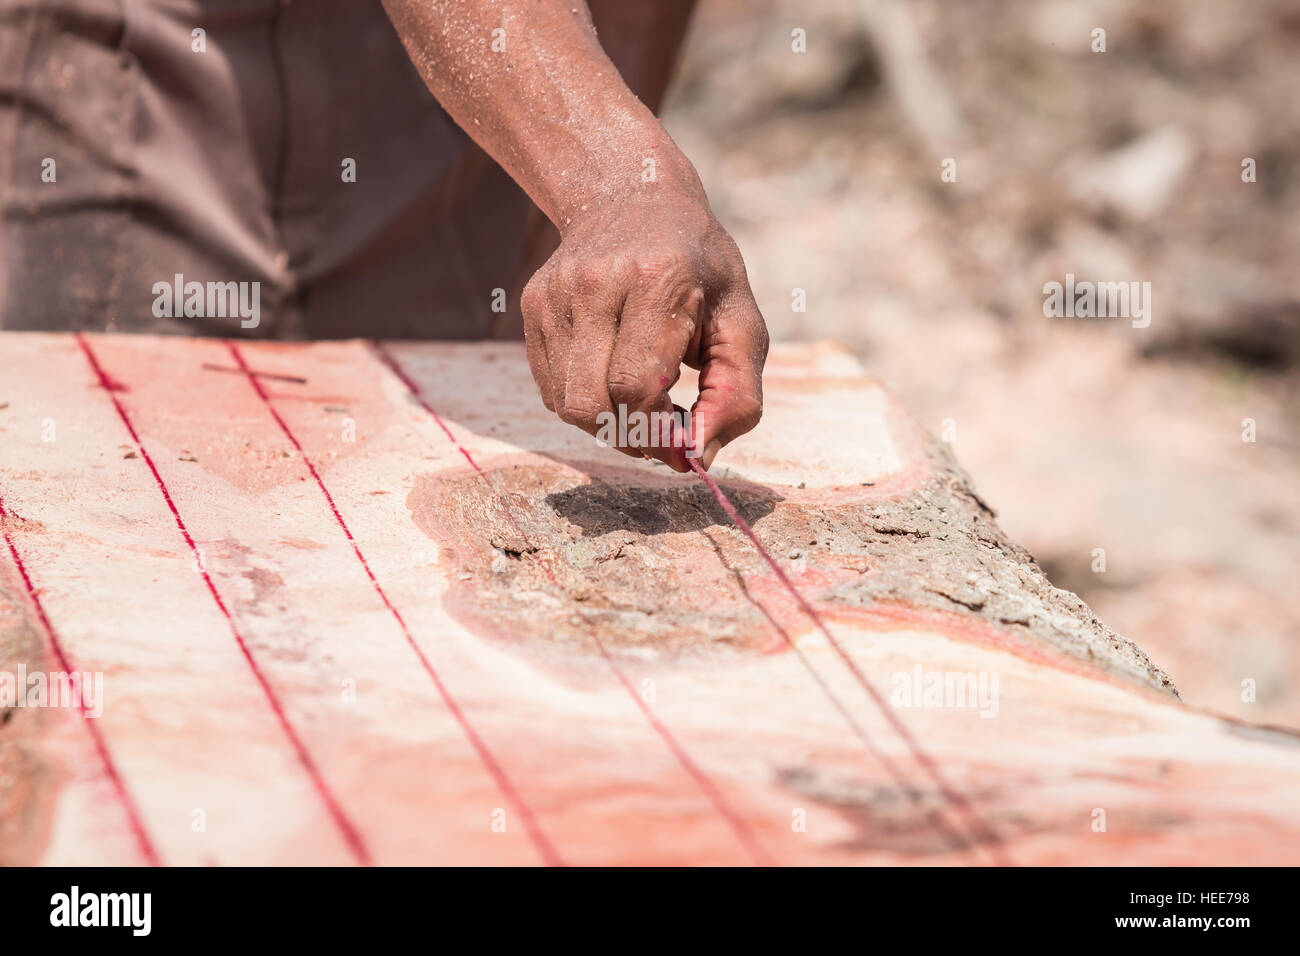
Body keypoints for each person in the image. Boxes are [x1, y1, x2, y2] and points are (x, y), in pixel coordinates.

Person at [0, 0, 767, 471]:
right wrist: (619, 182)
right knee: (124, 520)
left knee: (414, 525)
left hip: (467, 71)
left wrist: (573, 216)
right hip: (155, 61)